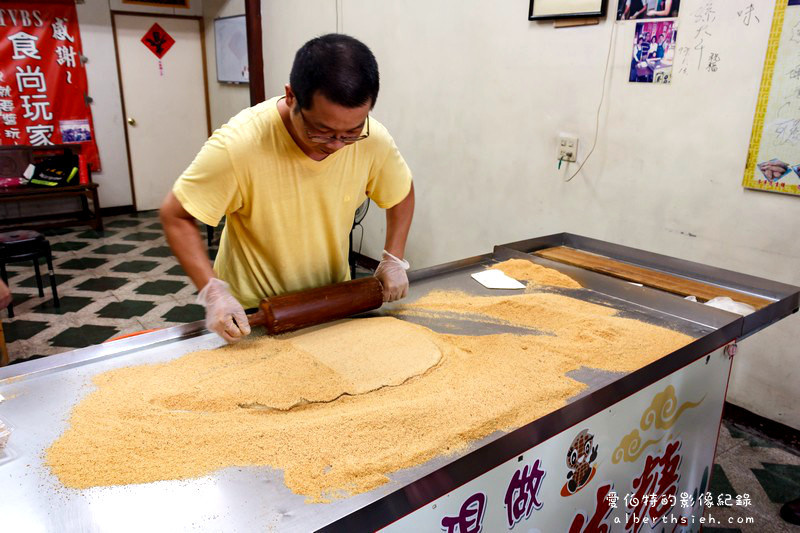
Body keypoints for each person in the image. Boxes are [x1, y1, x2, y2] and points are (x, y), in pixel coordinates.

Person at [160, 34, 415, 343]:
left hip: (333, 300)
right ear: (291, 96)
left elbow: (401, 191)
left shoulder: (373, 140)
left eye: (351, 133)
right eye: (321, 131)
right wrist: (212, 291)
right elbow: (176, 215)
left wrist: (393, 258)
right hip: (252, 311)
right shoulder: (239, 146)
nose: (336, 145)